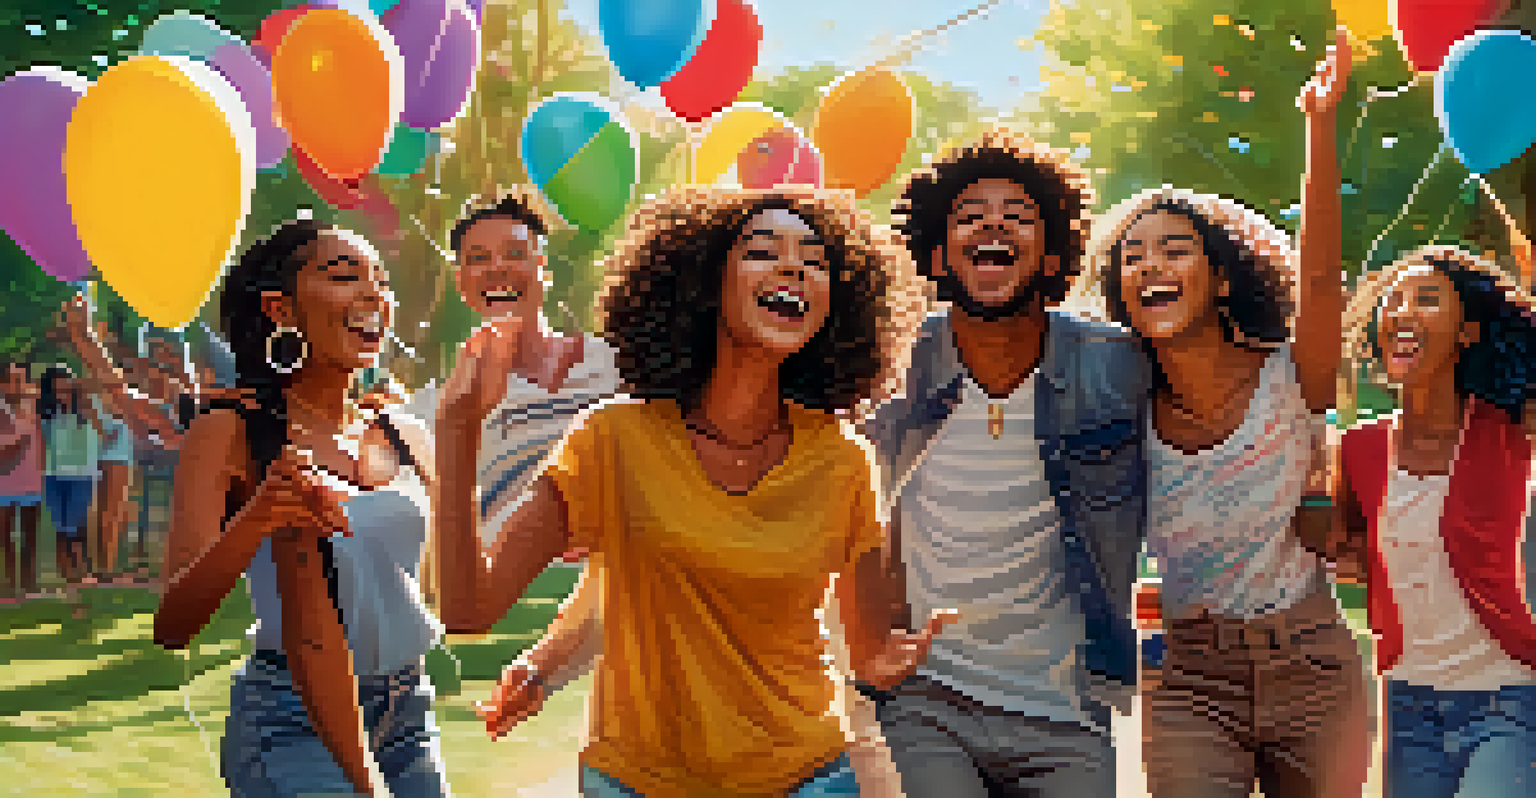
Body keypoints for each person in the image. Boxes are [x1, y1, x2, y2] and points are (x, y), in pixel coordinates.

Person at [450, 187, 947, 798]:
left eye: (814, 261)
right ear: (706, 284)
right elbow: (469, 608)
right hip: (638, 783)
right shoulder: (612, 440)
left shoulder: (843, 458)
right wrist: (457, 427)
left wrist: (895, 660)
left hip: (807, 779)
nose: (793, 268)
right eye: (762, 251)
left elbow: (868, 651)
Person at [1085, 32, 1368, 798]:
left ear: (1219, 278)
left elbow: (1320, 278)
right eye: (1132, 257)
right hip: (1191, 680)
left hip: (1313, 668)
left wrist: (1319, 125)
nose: (1151, 264)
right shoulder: (1122, 411)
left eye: (1174, 249)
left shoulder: (1290, 375)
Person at [828, 127, 1146, 797]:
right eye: (970, 215)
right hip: (925, 701)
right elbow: (842, 507)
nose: (994, 224)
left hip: (1068, 709)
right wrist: (868, 646)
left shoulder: (1116, 363)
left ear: (1053, 254)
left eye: (1018, 216)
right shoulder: (890, 366)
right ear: (936, 254)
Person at [149, 218, 449, 797]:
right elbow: (174, 624)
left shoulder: (402, 431)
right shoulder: (231, 430)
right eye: (343, 276)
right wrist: (257, 517)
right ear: (280, 309)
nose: (372, 295)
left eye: (380, 280)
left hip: (408, 713)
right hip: (288, 720)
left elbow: (451, 587)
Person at [1328, 245, 1536, 798]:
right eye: (1393, 299)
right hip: (1408, 702)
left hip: (1510, 696)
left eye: (1426, 299)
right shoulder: (1360, 448)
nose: (1402, 310)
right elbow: (1350, 552)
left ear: (1467, 332)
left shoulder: (1514, 433)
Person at [401, 189, 621, 612]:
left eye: (515, 253)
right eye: (478, 258)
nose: (497, 267)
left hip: (615, 596)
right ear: (462, 283)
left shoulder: (616, 367)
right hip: (509, 610)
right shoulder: (433, 411)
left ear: (544, 269)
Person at [39, 365, 104, 586]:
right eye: (56, 388)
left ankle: (82, 570)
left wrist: (85, 401)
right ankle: (66, 572)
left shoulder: (87, 407)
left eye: (66, 385)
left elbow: (102, 433)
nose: (62, 392)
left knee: (79, 524)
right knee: (61, 526)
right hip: (53, 474)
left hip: (82, 474)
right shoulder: (45, 413)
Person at [1, 362, 44, 600]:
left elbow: (40, 440)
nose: (20, 385)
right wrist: (16, 445)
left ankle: (29, 583)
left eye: (22, 379)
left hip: (31, 481)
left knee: (30, 536)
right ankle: (9, 584)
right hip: (4, 482)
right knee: (5, 537)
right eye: (14, 380)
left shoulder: (33, 407)